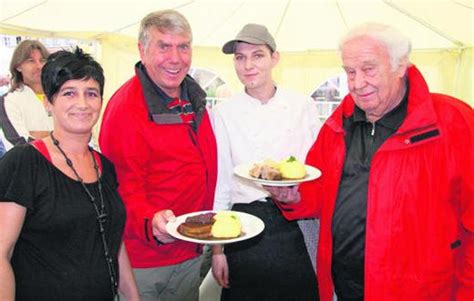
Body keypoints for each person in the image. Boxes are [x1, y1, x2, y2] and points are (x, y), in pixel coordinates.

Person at [266, 23, 474, 301]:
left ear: (400, 66)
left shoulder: (453, 122)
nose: (357, 83)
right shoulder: (337, 124)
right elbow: (317, 192)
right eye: (350, 72)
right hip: (344, 287)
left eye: (368, 69)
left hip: (422, 291)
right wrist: (291, 196)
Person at [0, 47, 139, 300]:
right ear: (49, 103)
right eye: (69, 93)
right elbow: (1, 254)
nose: (82, 104)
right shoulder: (24, 163)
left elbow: (113, 244)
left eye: (91, 93)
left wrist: (133, 297)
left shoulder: (105, 167)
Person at [99, 9, 217, 301]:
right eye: (164, 46)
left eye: (183, 46)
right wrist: (148, 223)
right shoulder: (126, 107)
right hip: (146, 261)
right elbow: (120, 187)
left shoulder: (194, 96)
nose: (175, 58)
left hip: (190, 250)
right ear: (142, 49)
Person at [211, 23, 322, 300]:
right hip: (244, 222)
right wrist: (217, 251)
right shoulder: (224, 113)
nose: (248, 65)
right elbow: (222, 181)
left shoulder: (302, 106)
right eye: (240, 57)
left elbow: (316, 170)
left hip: (295, 219)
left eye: (257, 55)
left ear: (275, 58)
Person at [0, 40, 53, 150]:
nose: (39, 66)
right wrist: (59, 138)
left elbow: (80, 135)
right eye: (31, 61)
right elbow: (20, 142)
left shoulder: (60, 96)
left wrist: (39, 134)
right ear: (18, 66)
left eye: (42, 60)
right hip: (28, 165)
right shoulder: (8, 101)